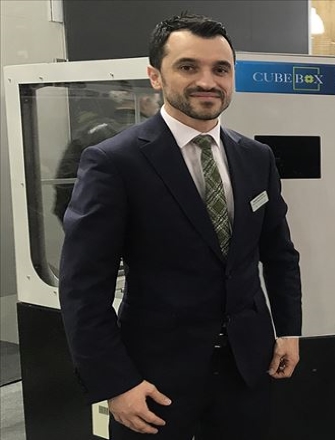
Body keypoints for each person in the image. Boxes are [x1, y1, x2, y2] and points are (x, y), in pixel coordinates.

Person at [59, 13, 302, 440]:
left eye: (221, 69)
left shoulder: (256, 157)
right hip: (153, 377)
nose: (207, 81)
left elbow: (279, 252)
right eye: (188, 67)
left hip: (248, 365)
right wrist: (115, 382)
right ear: (155, 76)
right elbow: (83, 286)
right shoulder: (115, 162)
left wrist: (289, 330)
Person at [54, 89, 161, 222]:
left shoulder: (87, 132)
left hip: (93, 223)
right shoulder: (156, 135)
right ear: (145, 101)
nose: (158, 108)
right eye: (157, 103)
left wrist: (79, 224)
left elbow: (64, 184)